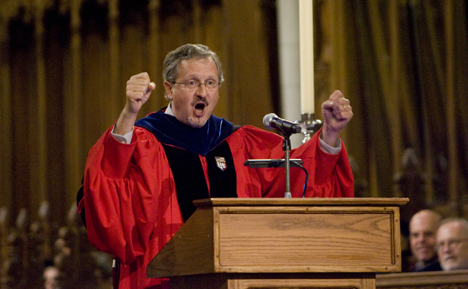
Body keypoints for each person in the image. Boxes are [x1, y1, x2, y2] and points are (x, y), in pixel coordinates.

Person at [77, 44, 354, 289]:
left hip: (234, 278)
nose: (203, 92)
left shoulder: (238, 141)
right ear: (169, 89)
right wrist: (129, 112)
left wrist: (329, 134)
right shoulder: (144, 141)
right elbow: (109, 193)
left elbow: (294, 180)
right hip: (159, 280)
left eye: (211, 83)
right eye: (192, 83)